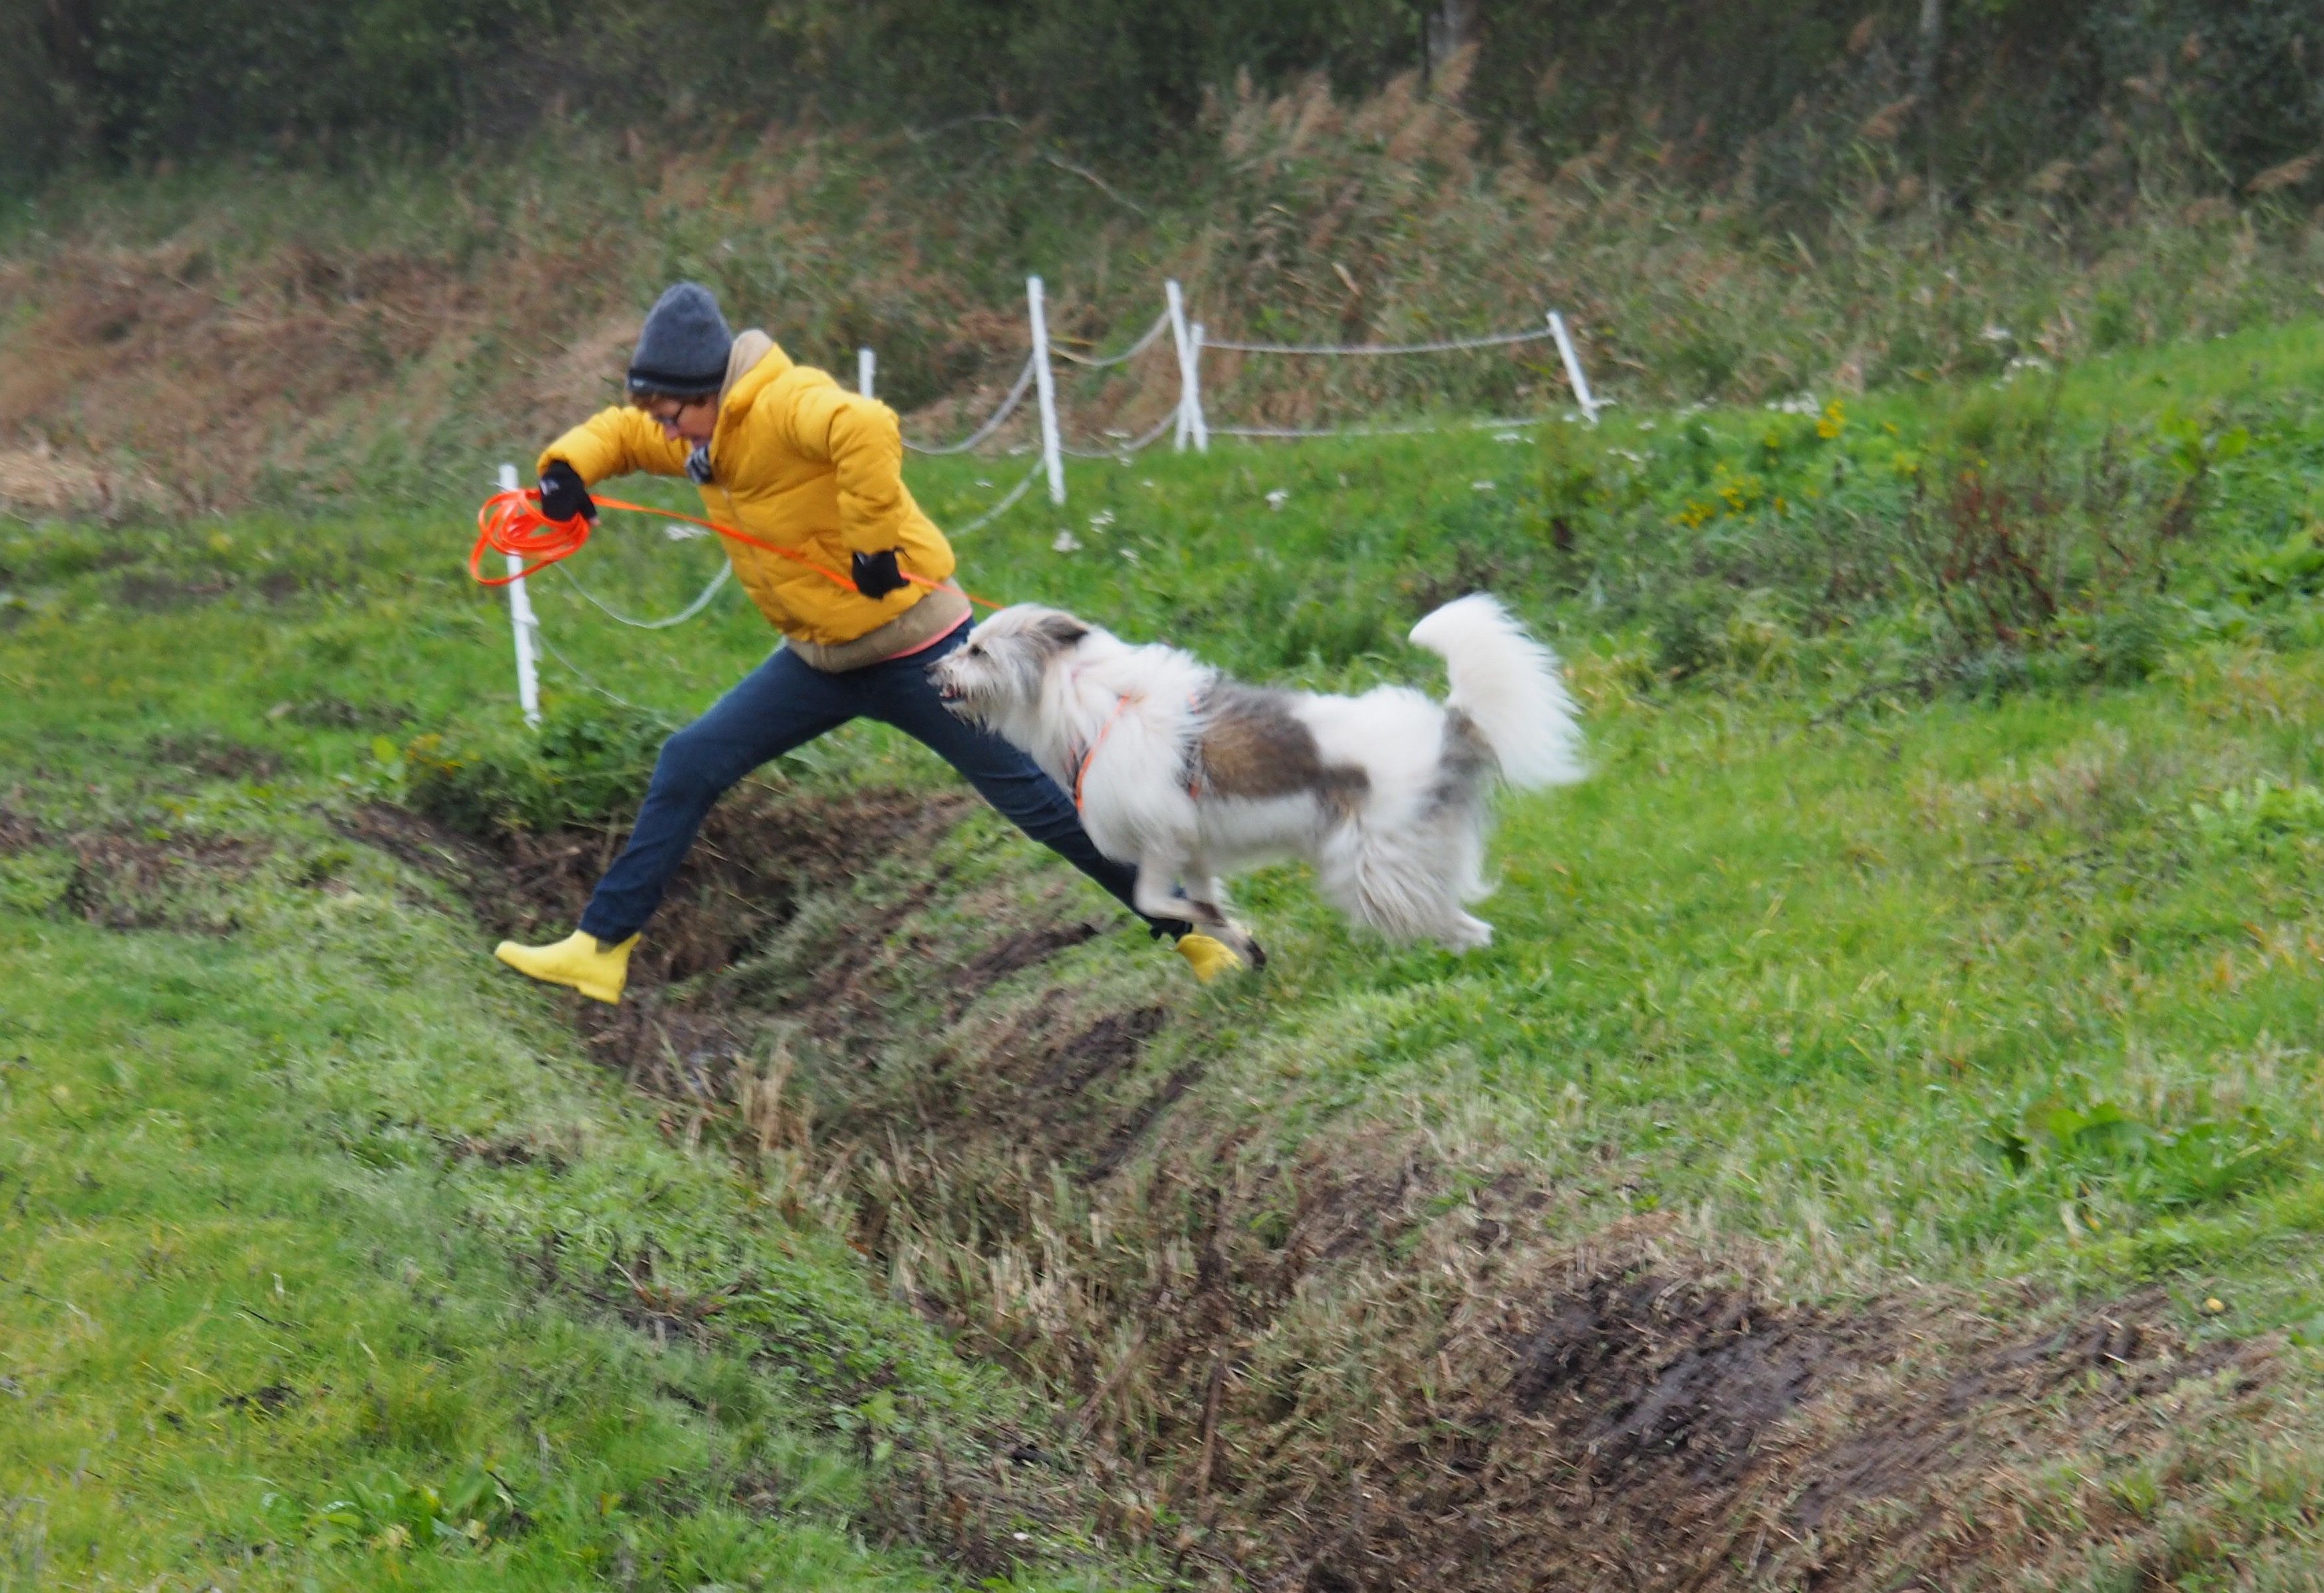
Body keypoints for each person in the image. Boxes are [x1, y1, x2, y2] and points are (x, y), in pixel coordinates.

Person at [492, 282, 1244, 1004]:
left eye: (670, 412)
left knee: (1041, 805)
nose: (660, 429)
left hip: (922, 649)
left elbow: (868, 426)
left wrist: (874, 544)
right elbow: (619, 434)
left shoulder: (784, 404)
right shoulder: (699, 438)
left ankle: (1198, 933)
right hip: (820, 661)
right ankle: (600, 951)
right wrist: (566, 470)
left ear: (709, 391)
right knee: (689, 760)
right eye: (655, 413)